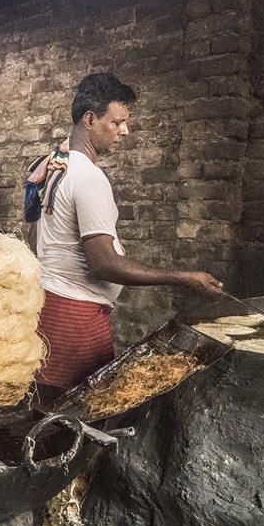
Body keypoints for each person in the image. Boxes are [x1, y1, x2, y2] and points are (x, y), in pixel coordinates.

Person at [27, 73, 225, 395]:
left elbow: (35, 234)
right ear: (90, 119)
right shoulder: (89, 178)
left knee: (44, 414)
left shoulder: (53, 166)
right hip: (77, 325)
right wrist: (183, 277)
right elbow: (103, 264)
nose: (125, 131)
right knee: (78, 421)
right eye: (117, 122)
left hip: (47, 311)